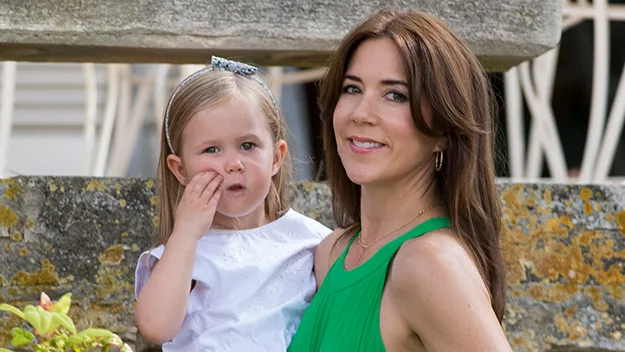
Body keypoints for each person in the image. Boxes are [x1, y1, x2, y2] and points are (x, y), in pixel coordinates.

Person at [288, 10, 513, 352]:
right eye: (352, 88)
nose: (361, 113)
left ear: (444, 129)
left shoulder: (430, 264)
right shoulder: (331, 254)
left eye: (395, 95)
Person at [134, 56, 331, 351]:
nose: (233, 164)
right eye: (211, 149)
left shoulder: (310, 241)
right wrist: (185, 234)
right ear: (181, 170)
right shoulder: (185, 251)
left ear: (276, 157)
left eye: (248, 145)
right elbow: (156, 327)